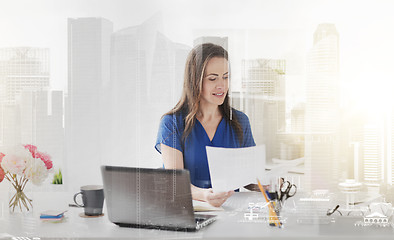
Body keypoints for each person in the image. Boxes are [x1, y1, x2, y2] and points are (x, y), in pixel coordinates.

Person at [155, 43, 256, 207]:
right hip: (188, 213)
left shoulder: (240, 121)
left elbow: (248, 177)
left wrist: (268, 184)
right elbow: (175, 181)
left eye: (225, 77)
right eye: (212, 78)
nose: (221, 85)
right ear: (194, 80)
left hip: (230, 216)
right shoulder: (172, 123)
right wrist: (204, 195)